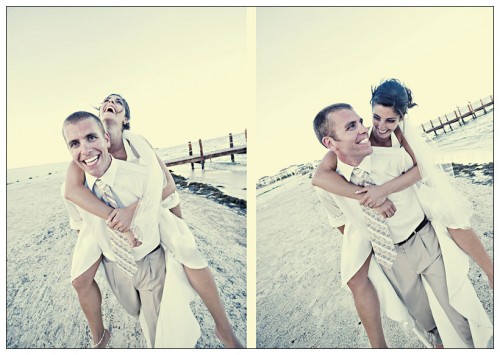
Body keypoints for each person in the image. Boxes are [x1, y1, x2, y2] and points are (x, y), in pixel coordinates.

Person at [62, 95, 242, 348]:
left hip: (150, 206)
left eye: (118, 102)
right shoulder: (84, 154)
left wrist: (136, 212)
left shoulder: (137, 144)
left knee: (189, 252)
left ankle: (225, 330)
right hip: (101, 214)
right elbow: (71, 191)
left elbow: (166, 185)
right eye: (105, 101)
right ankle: (100, 335)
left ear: (125, 118)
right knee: (81, 279)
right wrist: (112, 218)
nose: (110, 102)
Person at [312, 102, 492, 348]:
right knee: (426, 323)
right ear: (330, 144)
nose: (364, 129)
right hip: (391, 259)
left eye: (361, 122)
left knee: (458, 315)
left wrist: (383, 191)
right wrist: (375, 240)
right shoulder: (329, 188)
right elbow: (342, 224)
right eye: (351, 126)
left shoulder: (393, 159)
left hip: (423, 241)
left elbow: (425, 174)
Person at [312, 79, 493, 290]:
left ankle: (491, 272)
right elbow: (319, 177)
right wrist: (368, 198)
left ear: (401, 118)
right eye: (376, 118)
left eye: (390, 120)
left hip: (416, 187)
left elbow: (423, 169)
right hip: (398, 203)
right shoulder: (359, 139)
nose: (381, 127)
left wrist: (382, 191)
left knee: (452, 216)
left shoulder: (401, 133)